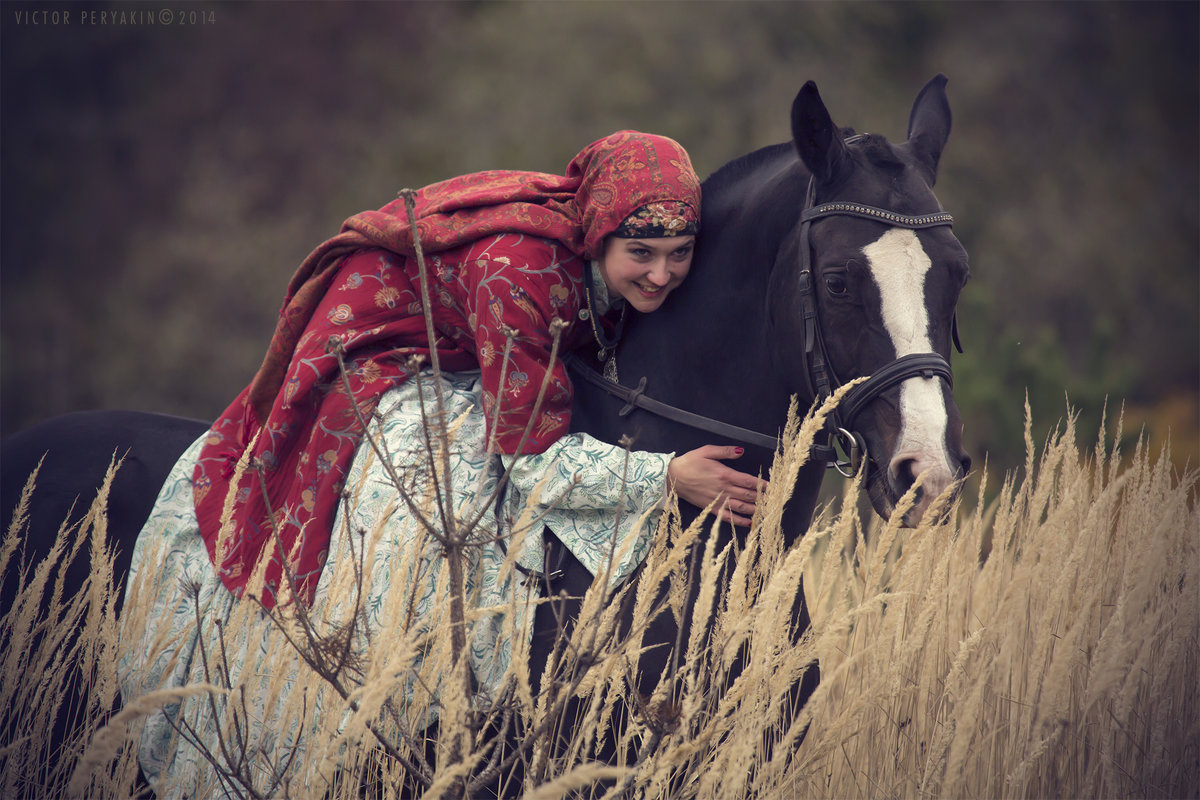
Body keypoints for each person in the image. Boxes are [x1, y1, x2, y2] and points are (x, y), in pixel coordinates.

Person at [119, 131, 768, 796]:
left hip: (471, 349)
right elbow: (528, 463)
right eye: (642, 254)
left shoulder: (603, 273)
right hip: (378, 356)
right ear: (598, 237)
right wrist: (666, 476)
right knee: (431, 487)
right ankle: (372, 685)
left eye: (679, 254)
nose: (661, 275)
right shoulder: (523, 273)